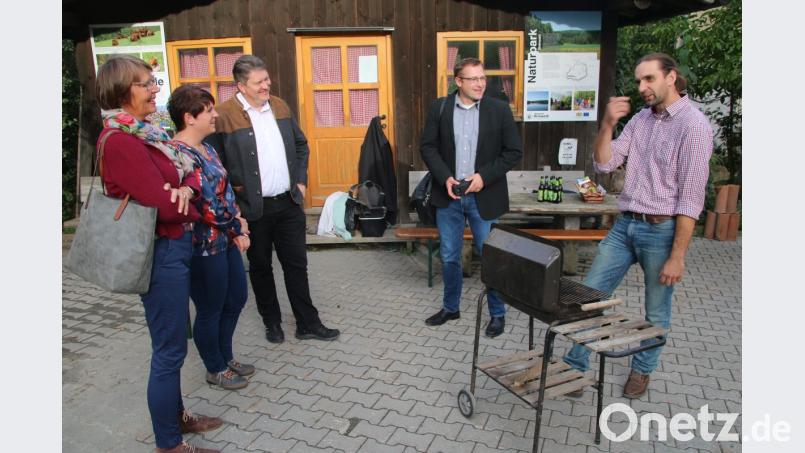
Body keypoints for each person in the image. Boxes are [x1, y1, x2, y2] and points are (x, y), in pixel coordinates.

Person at [563, 52, 713, 398]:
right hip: (624, 226)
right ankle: (574, 367)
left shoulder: (694, 127)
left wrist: (678, 256)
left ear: (671, 77)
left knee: (656, 309)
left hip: (662, 231)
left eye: (649, 79)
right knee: (589, 295)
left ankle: (642, 371)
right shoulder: (641, 120)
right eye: (639, 81)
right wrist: (607, 125)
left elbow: (691, 200)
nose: (642, 87)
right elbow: (605, 164)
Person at [95, 55, 222, 453]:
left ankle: (176, 417)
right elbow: (163, 207)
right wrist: (184, 195)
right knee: (169, 350)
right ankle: (168, 443)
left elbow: (188, 179)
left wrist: (185, 189)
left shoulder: (145, 134)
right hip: (160, 251)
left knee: (173, 344)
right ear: (122, 90)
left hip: (173, 246)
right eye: (147, 83)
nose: (155, 90)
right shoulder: (120, 141)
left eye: (154, 82)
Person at [206, 55, 339, 344]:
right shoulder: (224, 115)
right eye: (259, 82)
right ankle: (272, 322)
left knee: (296, 265)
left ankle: (307, 323)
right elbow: (215, 166)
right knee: (261, 267)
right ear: (241, 85)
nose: (267, 85)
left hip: (288, 203)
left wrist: (301, 182)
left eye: (267, 79)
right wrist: (234, 207)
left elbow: (301, 145)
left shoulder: (279, 105)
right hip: (253, 208)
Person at [419, 57, 523, 338]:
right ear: (459, 81)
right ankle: (451, 307)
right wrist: (444, 177)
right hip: (449, 194)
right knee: (450, 255)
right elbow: (428, 147)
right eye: (473, 78)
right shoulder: (439, 107)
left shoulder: (499, 110)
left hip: (484, 196)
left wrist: (483, 178)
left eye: (483, 78)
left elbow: (513, 152)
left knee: (491, 256)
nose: (480, 84)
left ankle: (497, 314)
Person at [167, 85, 255, 391]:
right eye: (209, 110)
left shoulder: (208, 147)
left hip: (225, 238)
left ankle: (225, 356)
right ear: (190, 117)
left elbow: (224, 191)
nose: (215, 115)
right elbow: (205, 205)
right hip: (202, 246)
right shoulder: (178, 153)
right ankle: (214, 367)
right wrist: (238, 228)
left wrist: (238, 220)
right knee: (210, 308)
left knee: (236, 299)